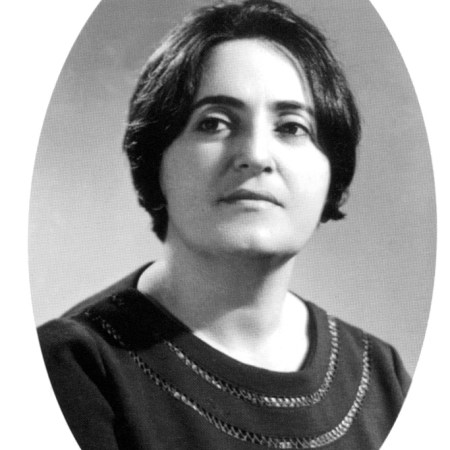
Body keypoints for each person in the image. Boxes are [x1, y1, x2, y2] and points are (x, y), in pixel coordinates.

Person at [38, 1, 410, 449]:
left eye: (292, 127)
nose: (255, 155)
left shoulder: (382, 377)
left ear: (333, 169)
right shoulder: (73, 367)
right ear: (156, 159)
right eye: (214, 123)